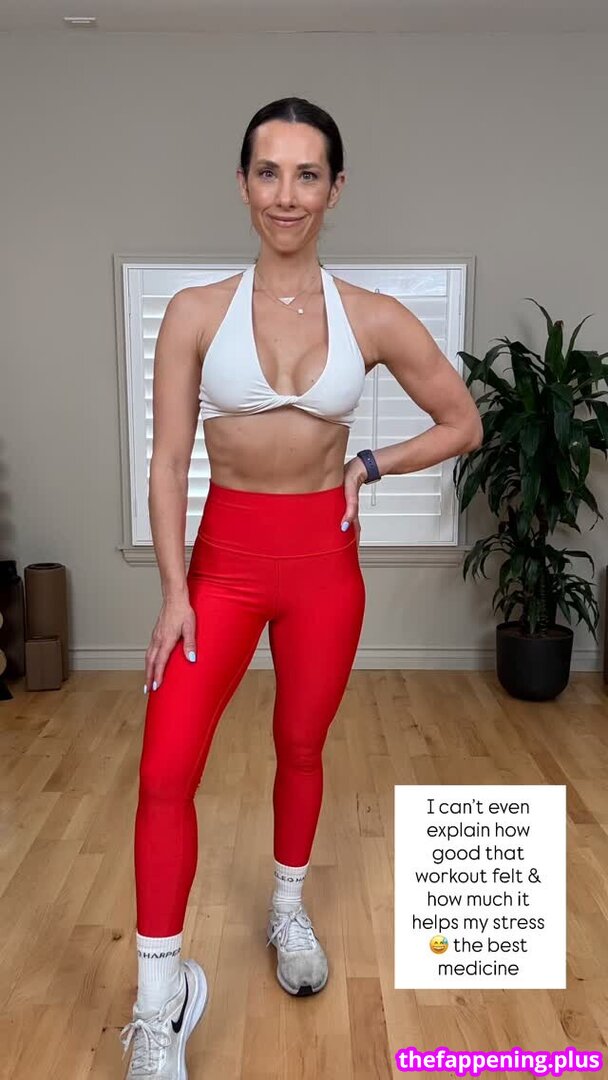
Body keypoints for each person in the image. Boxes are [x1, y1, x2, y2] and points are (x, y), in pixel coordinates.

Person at [119, 96, 483, 1077]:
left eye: (306, 174)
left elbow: (462, 422)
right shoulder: (197, 313)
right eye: (268, 172)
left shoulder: (370, 315)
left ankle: (287, 910)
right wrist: (173, 591)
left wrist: (371, 464)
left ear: (334, 189)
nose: (286, 194)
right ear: (243, 184)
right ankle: (158, 1003)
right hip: (221, 566)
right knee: (164, 772)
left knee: (301, 745)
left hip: (323, 568)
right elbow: (167, 463)